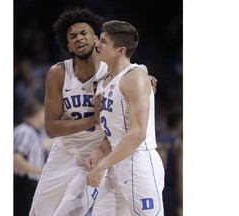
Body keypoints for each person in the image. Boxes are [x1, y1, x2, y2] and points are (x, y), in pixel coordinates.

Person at [29, 7, 158, 216]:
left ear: (96, 39)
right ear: (69, 46)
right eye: (73, 36)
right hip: (64, 152)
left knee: (68, 212)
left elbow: (133, 71)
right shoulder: (59, 73)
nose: (79, 38)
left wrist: (147, 78)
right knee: (39, 211)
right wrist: (92, 119)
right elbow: (51, 128)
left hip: (96, 155)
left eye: (83, 33)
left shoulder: (112, 70)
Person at [85, 20, 165, 215]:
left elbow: (138, 133)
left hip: (138, 164)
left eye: (103, 41)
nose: (97, 44)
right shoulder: (105, 82)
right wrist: (100, 151)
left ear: (120, 50)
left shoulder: (135, 77)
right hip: (115, 161)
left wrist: (102, 166)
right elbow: (119, 128)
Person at [14, 98, 46, 216]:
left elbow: (41, 146)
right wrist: (40, 171)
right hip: (24, 183)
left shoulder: (32, 132)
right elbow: (16, 159)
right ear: (38, 114)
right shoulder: (26, 131)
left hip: (28, 183)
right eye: (43, 112)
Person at [156, 110, 183, 216]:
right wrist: (181, 204)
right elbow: (179, 174)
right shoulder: (177, 142)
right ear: (179, 123)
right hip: (171, 189)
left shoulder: (157, 138)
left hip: (156, 186)